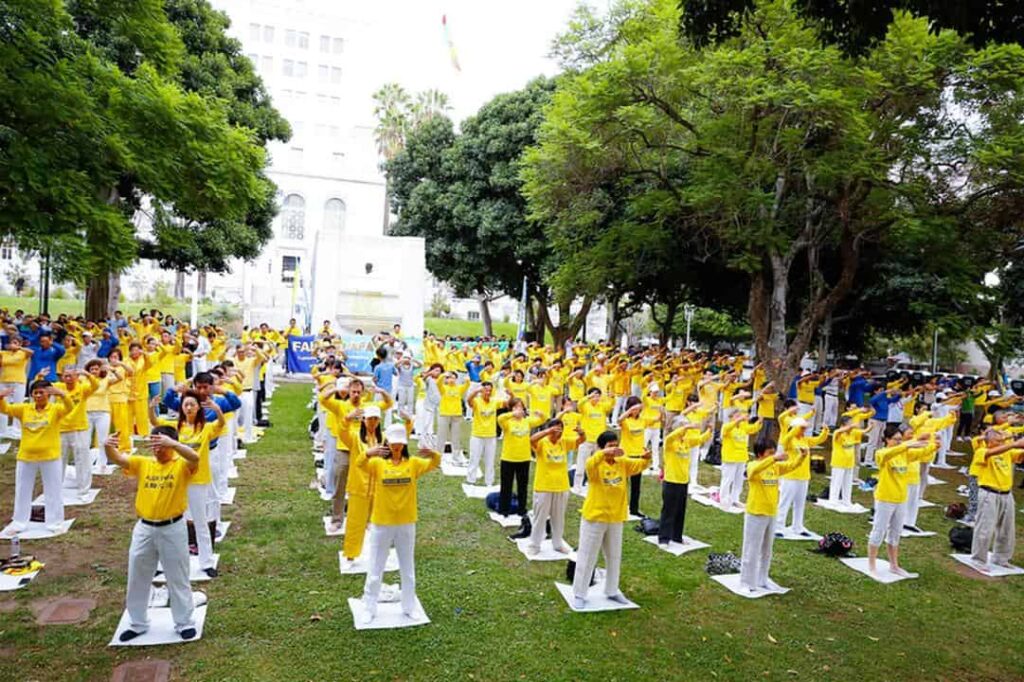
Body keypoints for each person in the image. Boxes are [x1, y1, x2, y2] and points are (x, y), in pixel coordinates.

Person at [102, 428, 200, 642]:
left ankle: (184, 622)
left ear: (172, 444)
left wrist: (173, 444)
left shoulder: (181, 465)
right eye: (153, 444)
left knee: (177, 576)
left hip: (173, 528)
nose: (156, 449)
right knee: (137, 575)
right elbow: (117, 458)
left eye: (161, 444)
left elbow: (195, 457)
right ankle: (137, 623)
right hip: (144, 527)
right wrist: (108, 446)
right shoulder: (144, 463)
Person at [359, 423, 440, 624]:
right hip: (381, 523)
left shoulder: (412, 464)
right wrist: (368, 453)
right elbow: (360, 464)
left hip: (406, 523)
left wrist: (433, 453)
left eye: (399, 444)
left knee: (407, 568)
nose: (396, 447)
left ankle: (409, 606)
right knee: (376, 567)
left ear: (404, 445)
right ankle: (369, 606)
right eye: (392, 443)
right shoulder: (378, 464)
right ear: (387, 442)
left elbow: (434, 463)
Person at [571, 430, 651, 609]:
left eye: (615, 445)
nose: (613, 450)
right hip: (595, 517)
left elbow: (638, 465)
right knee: (587, 556)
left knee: (614, 556)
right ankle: (579, 593)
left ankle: (612, 590)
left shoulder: (622, 463)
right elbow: (590, 463)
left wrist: (647, 458)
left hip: (616, 517)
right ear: (601, 448)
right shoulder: (595, 464)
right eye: (610, 446)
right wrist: (603, 453)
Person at [150, 390, 224, 577]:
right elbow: (156, 423)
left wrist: (217, 410)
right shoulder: (176, 427)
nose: (189, 407)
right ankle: (164, 564)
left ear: (198, 407)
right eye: (186, 405)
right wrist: (151, 409)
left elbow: (221, 424)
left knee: (200, 521)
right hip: (177, 479)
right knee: (171, 521)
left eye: (192, 404)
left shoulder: (206, 428)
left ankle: (206, 562)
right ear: (181, 408)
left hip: (198, 481)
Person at [0, 381, 74, 535]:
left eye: (42, 392)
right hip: (26, 456)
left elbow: (69, 408)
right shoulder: (24, 409)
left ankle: (55, 522)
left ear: (48, 394)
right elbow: (6, 409)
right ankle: (19, 522)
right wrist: (1, 398)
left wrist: (61, 394)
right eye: (36, 393)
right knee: (22, 490)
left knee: (53, 490)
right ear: (31, 395)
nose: (39, 396)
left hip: (50, 456)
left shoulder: (55, 409)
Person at [740, 440, 808, 592]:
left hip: (771, 512)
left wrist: (802, 457)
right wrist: (774, 458)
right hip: (756, 512)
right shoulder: (753, 465)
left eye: (773, 452)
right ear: (760, 453)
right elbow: (752, 471)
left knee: (767, 549)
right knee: (752, 549)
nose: (773, 455)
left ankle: (762, 579)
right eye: (769, 452)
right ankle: (746, 582)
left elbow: (791, 466)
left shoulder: (774, 467)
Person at [867, 430, 929, 577]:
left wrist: (934, 444)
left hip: (901, 499)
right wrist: (907, 444)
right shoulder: (881, 453)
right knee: (879, 531)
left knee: (895, 532)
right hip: (885, 498)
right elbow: (890, 453)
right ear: (887, 440)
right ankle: (871, 566)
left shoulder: (904, 454)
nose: (899, 442)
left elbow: (922, 453)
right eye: (896, 439)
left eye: (901, 439)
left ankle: (894, 565)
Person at [969, 429, 1024, 569]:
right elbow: (991, 453)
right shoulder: (981, 451)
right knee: (985, 528)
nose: (1001, 443)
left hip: (1006, 494)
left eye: (1002, 441)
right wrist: (1014, 444)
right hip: (989, 493)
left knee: (1007, 529)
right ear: (989, 441)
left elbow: (1020, 456)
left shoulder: (1007, 452)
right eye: (997, 441)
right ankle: (978, 559)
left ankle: (1001, 558)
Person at [528, 419, 583, 554]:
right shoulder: (542, 443)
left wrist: (582, 433)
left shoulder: (563, 442)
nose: (558, 433)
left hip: (561, 486)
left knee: (558, 517)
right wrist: (547, 432)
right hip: (544, 486)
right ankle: (534, 545)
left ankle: (558, 543)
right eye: (555, 429)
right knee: (540, 517)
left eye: (560, 429)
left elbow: (579, 441)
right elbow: (531, 440)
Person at [658, 419, 711, 546]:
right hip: (671, 480)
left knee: (680, 510)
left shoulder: (686, 441)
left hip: (683, 481)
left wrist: (709, 430)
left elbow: (700, 439)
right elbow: (671, 436)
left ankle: (677, 536)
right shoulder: (670, 442)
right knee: (668, 511)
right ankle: (663, 538)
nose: (685, 431)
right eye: (682, 428)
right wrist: (688, 426)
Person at [775, 418, 829, 537]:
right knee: (785, 502)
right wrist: (798, 426)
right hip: (790, 476)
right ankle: (778, 526)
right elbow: (788, 437)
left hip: (804, 476)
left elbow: (819, 439)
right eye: (802, 428)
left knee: (800, 503)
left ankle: (797, 526)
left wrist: (825, 430)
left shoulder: (805, 439)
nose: (804, 431)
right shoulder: (789, 439)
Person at [54, 368, 100, 500]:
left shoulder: (83, 388)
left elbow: (95, 386)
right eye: (66, 376)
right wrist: (40, 377)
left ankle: (83, 490)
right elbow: (41, 387)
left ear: (76, 377)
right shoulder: (58, 387)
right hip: (61, 429)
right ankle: (56, 489)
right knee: (59, 460)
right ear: (62, 377)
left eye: (71, 376)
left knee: (82, 459)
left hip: (79, 428)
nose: (68, 378)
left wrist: (88, 374)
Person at [496, 399, 544, 518]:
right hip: (508, 458)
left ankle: (521, 508)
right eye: (516, 407)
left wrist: (540, 413)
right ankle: (504, 509)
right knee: (506, 485)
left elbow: (543, 419)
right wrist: (513, 414)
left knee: (523, 485)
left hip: (524, 458)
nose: (519, 409)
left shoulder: (527, 421)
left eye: (521, 407)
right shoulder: (507, 422)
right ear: (511, 409)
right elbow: (499, 418)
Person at [718, 412, 762, 511]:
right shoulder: (727, 426)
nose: (740, 418)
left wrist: (759, 422)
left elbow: (752, 429)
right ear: (731, 417)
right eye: (737, 415)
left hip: (741, 457)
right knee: (727, 479)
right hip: (730, 457)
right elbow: (726, 429)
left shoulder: (743, 427)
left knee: (738, 480)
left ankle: (735, 499)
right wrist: (739, 419)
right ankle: (723, 499)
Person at [464, 381, 501, 487]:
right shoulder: (476, 401)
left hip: (491, 436)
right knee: (474, 458)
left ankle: (489, 481)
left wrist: (510, 394)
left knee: (490, 460)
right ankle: (471, 480)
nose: (488, 392)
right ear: (481, 390)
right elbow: (468, 400)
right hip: (477, 435)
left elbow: (507, 403)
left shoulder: (495, 402)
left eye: (490, 390)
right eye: (486, 390)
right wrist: (476, 391)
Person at [0, 335, 33, 438]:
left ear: (20, 344)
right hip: (4, 381)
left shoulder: (23, 353)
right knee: (2, 405)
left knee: (18, 405)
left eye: (15, 342)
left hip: (18, 382)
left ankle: (16, 429)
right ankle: (3, 429)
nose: (12, 344)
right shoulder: (4, 353)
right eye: (11, 342)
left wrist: (19, 348)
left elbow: (31, 352)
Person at [828, 416, 864, 508]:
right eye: (850, 422)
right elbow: (840, 431)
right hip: (839, 462)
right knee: (836, 481)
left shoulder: (852, 433)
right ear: (844, 424)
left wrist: (870, 426)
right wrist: (852, 426)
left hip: (849, 462)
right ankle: (833, 500)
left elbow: (864, 431)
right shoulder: (837, 433)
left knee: (847, 483)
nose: (851, 424)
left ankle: (846, 500)